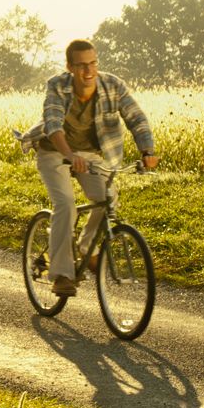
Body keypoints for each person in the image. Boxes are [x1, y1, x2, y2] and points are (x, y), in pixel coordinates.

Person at [16, 39, 157, 297]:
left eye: (92, 63)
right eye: (81, 65)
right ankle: (60, 274)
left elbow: (136, 117)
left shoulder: (112, 85)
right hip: (54, 150)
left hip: (88, 154)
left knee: (108, 199)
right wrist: (69, 154)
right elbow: (53, 124)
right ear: (70, 67)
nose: (88, 70)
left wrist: (147, 150)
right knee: (66, 204)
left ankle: (85, 248)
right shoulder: (57, 86)